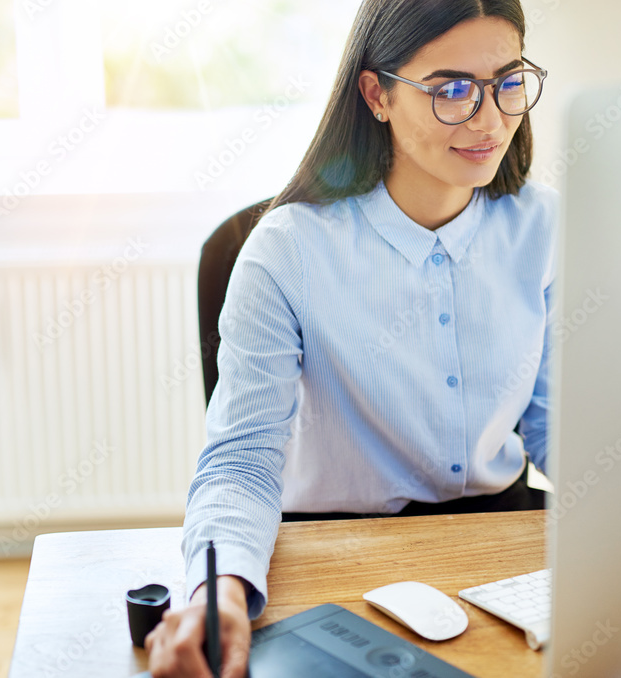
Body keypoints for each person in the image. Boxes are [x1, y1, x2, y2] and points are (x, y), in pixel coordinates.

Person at [144, 0, 557, 675]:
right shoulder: (288, 251)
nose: (490, 119)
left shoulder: (544, 226)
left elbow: (554, 423)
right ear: (377, 94)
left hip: (497, 539)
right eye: (451, 90)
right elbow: (242, 460)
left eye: (508, 82)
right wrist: (216, 591)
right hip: (331, 549)